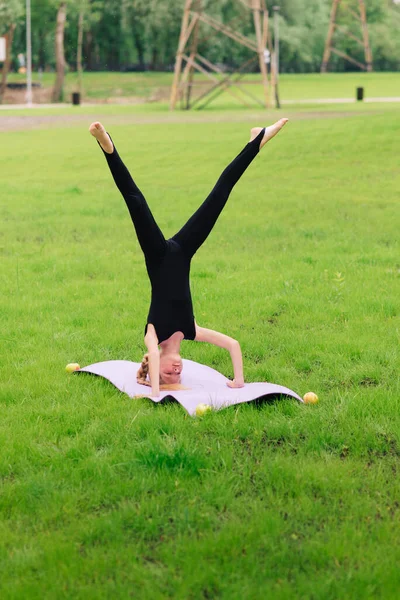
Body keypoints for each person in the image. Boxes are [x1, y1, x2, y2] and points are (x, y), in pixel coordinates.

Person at [89, 119, 288, 397]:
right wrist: (238, 381)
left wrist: (156, 391)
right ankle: (256, 141)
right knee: (220, 194)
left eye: (169, 373)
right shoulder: (191, 330)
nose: (177, 369)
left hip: (157, 254)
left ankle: (107, 145)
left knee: (135, 200)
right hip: (183, 251)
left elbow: (155, 360)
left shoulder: (152, 335)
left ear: (156, 367)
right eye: (178, 374)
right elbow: (233, 344)